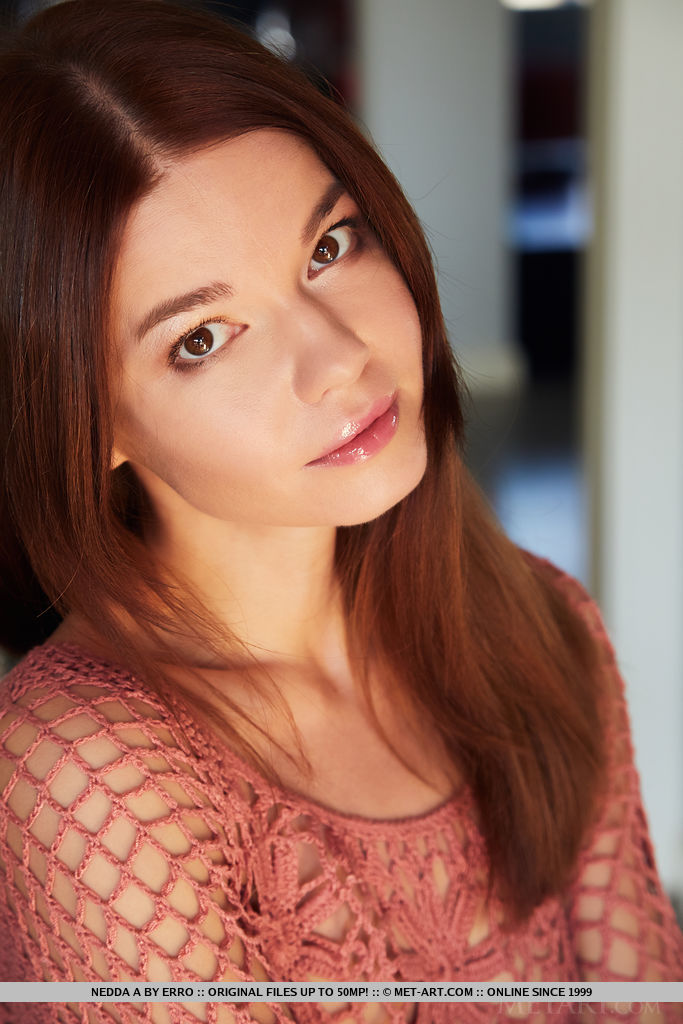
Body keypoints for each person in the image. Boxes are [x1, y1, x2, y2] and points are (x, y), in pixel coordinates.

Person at [0, 2, 680, 1022]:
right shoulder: (84, 768)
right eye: (203, 337)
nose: (337, 360)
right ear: (87, 423)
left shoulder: (541, 626)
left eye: (329, 244)